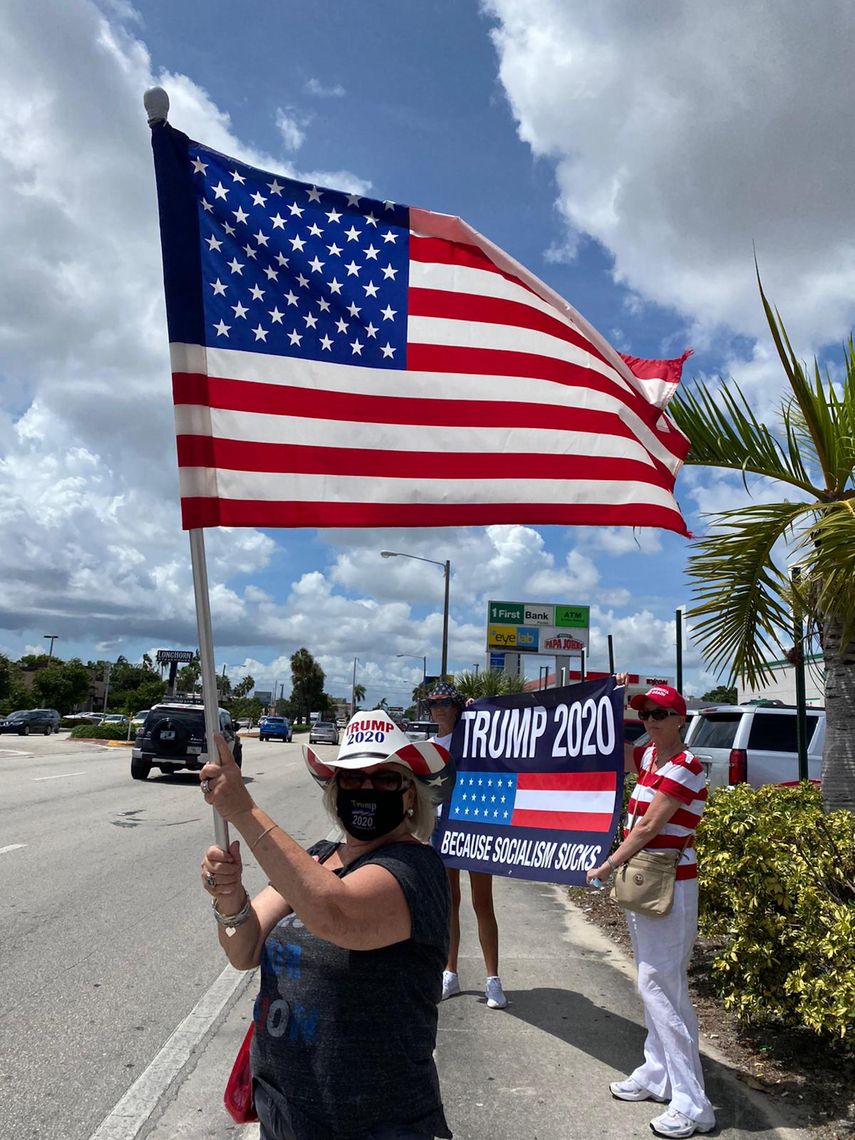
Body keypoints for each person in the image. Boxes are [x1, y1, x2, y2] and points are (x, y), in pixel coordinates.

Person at [199, 709, 455, 1140]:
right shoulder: (318, 857)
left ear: (410, 795)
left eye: (385, 778)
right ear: (336, 791)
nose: (367, 789)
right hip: (285, 1115)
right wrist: (228, 896)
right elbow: (243, 949)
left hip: (376, 1124)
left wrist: (242, 809)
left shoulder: (417, 869)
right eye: (353, 779)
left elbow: (333, 913)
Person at [587, 682, 715, 1139]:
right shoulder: (649, 759)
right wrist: (608, 700)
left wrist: (607, 865)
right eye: (645, 714)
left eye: (661, 713)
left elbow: (647, 825)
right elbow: (611, 750)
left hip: (670, 884)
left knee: (658, 984)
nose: (652, 721)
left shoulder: (686, 767)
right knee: (658, 981)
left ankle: (693, 1103)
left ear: (681, 719)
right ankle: (657, 1072)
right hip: (647, 884)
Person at [427, 681, 507, 1011]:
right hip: (441, 829)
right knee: (450, 903)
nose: (439, 707)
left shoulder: (475, 732)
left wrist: (479, 712)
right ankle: (450, 972)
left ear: (457, 705)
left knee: (481, 901)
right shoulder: (429, 746)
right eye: (432, 702)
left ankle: (493, 979)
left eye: (446, 701)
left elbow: (506, 735)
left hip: (475, 825)